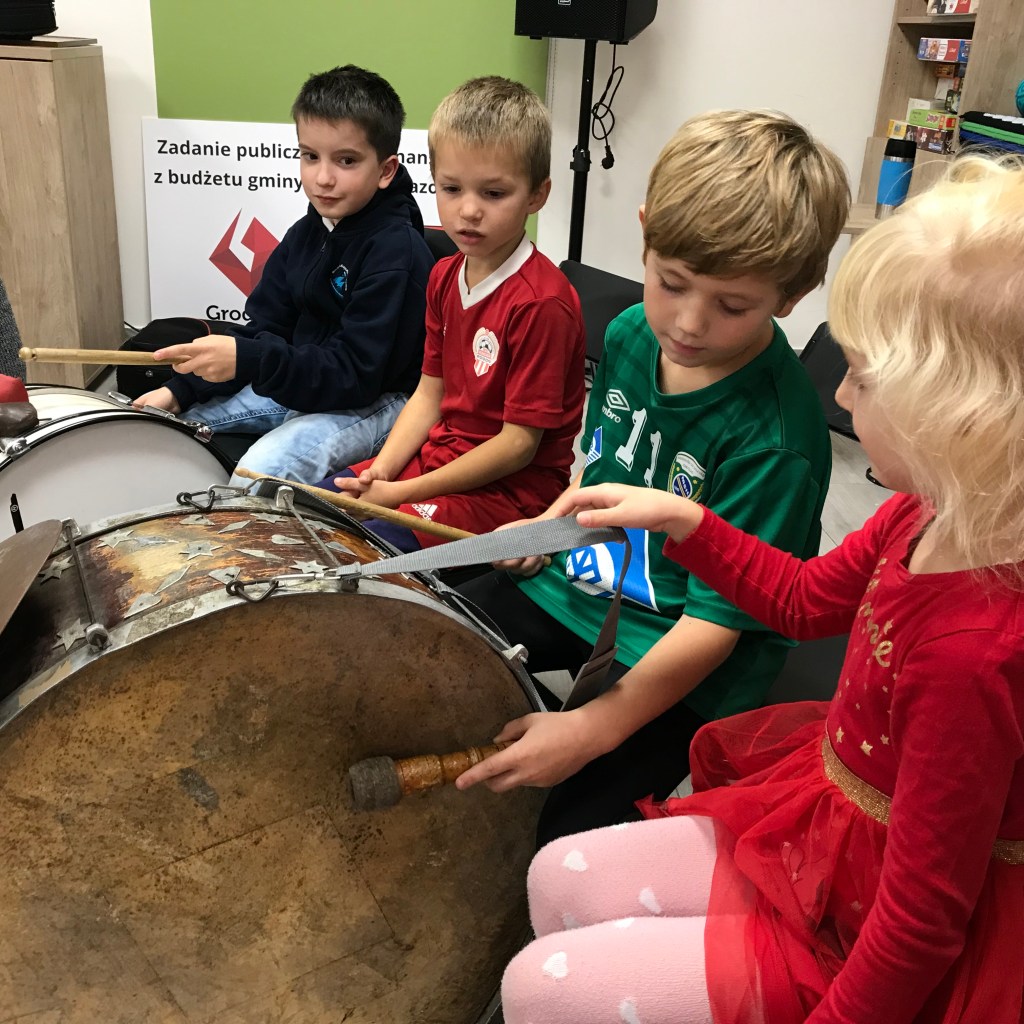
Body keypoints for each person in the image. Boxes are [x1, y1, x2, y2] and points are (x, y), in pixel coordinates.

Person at [466, 156, 1024, 1024]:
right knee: (554, 875)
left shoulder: (972, 655)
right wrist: (685, 520)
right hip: (833, 821)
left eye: (864, 376)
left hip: (865, 919)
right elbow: (802, 601)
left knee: (542, 985)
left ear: (964, 413)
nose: (841, 393)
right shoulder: (918, 515)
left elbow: (918, 927)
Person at [457, 109, 850, 844]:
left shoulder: (777, 441)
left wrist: (589, 731)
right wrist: (548, 528)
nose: (689, 324)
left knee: (560, 839)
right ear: (645, 237)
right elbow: (605, 467)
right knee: (429, 650)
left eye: (733, 305)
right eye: (672, 283)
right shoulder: (629, 332)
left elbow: (714, 625)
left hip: (690, 648)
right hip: (586, 581)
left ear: (793, 295)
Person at [315, 77, 585, 551]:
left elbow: (518, 446)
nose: (468, 211)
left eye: (494, 193)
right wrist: (384, 472)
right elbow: (429, 394)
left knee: (362, 546)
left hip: (510, 495)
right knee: (313, 508)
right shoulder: (443, 275)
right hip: (438, 461)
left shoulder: (542, 304)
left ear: (537, 195)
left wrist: (401, 495)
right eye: (452, 188)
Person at [133, 65, 434, 484]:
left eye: (346, 161)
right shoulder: (305, 234)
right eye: (310, 156)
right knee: (157, 429)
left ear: (386, 171)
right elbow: (266, 330)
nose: (323, 178)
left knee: (256, 473)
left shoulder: (396, 251)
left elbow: (355, 375)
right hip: (307, 381)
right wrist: (179, 392)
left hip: (378, 400)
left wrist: (251, 359)